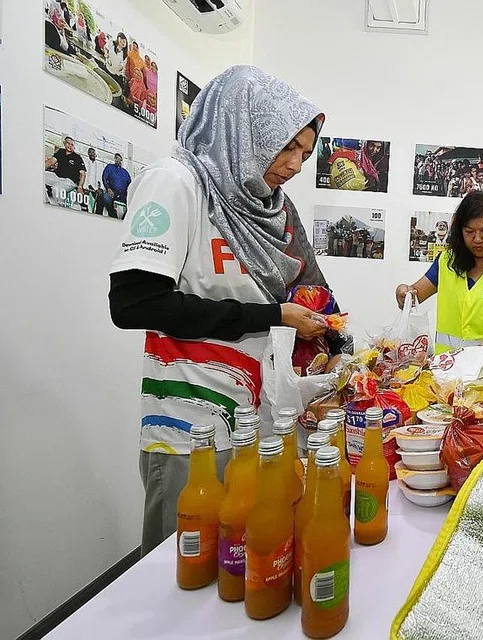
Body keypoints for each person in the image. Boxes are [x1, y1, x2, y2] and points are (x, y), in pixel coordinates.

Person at [108, 65, 346, 554]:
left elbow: (310, 288)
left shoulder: (272, 209)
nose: (297, 164)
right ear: (245, 131)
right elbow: (135, 304)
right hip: (189, 428)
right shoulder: (176, 183)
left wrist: (338, 345)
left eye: (304, 152)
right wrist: (273, 317)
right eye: (287, 148)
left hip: (255, 423)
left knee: (241, 567)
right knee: (179, 570)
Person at [395, 191, 483, 361]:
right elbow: (415, 293)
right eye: (469, 231)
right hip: (449, 370)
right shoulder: (447, 261)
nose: (477, 239)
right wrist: (404, 293)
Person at [45, 136, 86, 206]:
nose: (70, 146)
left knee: (56, 188)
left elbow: (83, 174)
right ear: (64, 143)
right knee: (40, 176)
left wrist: (80, 187)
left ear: (74, 147)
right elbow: (51, 162)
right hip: (57, 177)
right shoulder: (61, 152)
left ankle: (61, 207)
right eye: (68, 143)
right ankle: (46, 201)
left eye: (72, 144)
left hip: (70, 181)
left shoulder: (77, 157)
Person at [101, 153, 132, 219]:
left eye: (120, 159)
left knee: (132, 203)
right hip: (113, 192)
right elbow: (104, 178)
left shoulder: (125, 172)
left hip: (124, 194)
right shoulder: (109, 167)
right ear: (115, 159)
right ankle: (113, 216)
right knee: (106, 197)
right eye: (117, 158)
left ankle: (123, 219)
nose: (119, 160)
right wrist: (108, 189)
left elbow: (130, 185)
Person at [83, 147, 106, 214]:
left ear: (95, 154)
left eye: (93, 152)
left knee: (101, 199)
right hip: (86, 186)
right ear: (88, 154)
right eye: (90, 152)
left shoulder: (99, 165)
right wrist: (84, 187)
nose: (92, 154)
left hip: (96, 188)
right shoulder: (85, 161)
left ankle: (98, 215)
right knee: (85, 200)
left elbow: (101, 178)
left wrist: (101, 188)